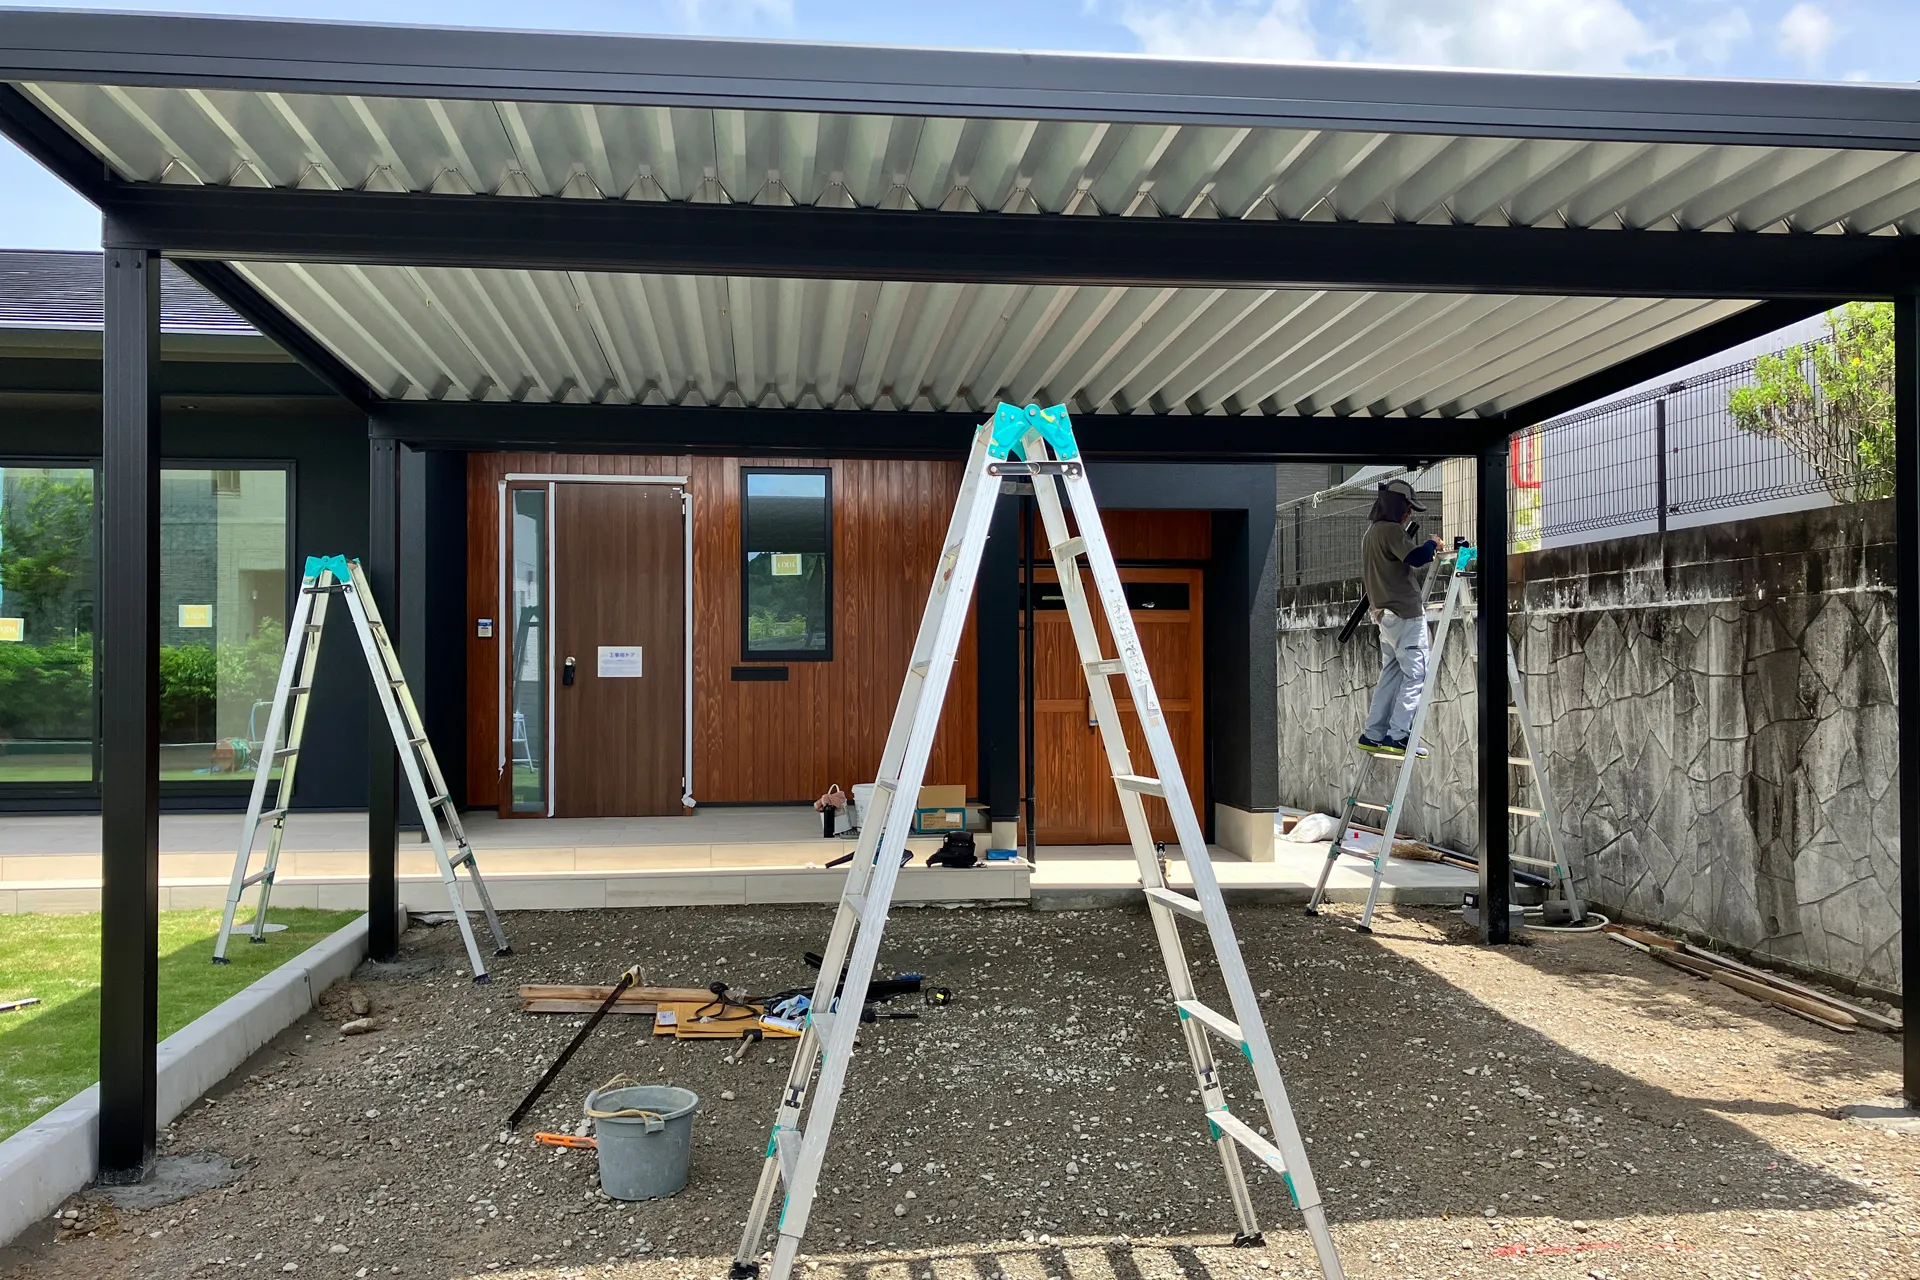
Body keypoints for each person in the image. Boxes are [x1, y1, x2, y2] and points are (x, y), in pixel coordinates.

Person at [1358, 478, 1441, 756]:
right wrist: (1432, 543)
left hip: (1384, 615)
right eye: (1407, 509)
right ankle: (1398, 735)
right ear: (1398, 507)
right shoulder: (1392, 531)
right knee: (1416, 675)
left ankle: (1372, 734)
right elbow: (1416, 558)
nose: (1409, 514)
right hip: (1405, 614)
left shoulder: (1371, 533)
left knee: (1391, 674)